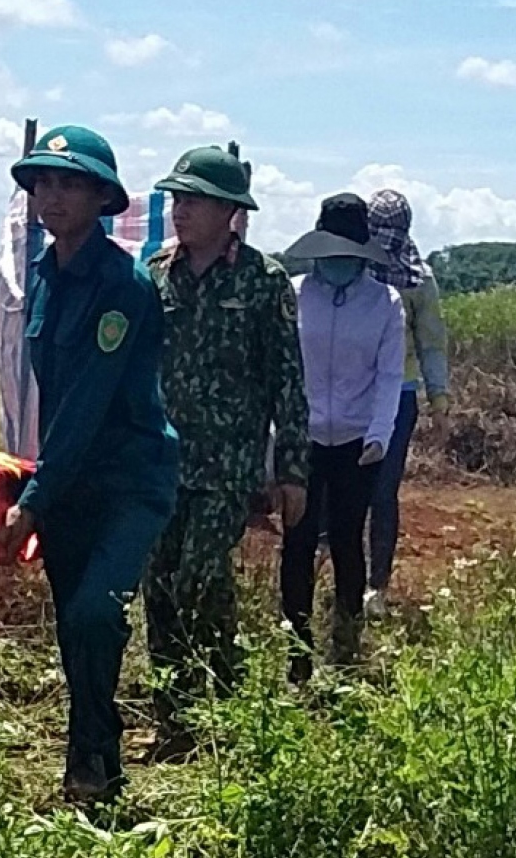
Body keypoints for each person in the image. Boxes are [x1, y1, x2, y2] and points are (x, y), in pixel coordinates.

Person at [0, 124, 181, 803]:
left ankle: (90, 762)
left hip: (129, 481)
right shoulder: (44, 277)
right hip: (71, 483)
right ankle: (96, 767)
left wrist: (34, 497)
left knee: (96, 615)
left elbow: (85, 404)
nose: (52, 195)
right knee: (75, 625)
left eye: (69, 183)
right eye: (42, 182)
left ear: (102, 197)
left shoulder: (122, 285)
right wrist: (44, 487)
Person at [143, 145, 309, 759]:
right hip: (163, 464)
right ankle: (178, 722)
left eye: (193, 200)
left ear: (228, 210)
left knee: (198, 577)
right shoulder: (156, 275)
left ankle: (231, 698)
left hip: (229, 466)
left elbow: (287, 379)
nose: (179, 210)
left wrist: (291, 470)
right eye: (176, 198)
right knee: (160, 588)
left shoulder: (263, 282)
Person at [279, 193, 405, 684]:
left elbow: (389, 376)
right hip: (303, 437)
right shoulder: (293, 295)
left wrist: (380, 434)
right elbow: (279, 371)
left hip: (357, 441)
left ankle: (347, 644)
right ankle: (297, 651)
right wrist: (275, 436)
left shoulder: (384, 303)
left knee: (348, 539)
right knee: (298, 540)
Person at [361, 190, 451, 620]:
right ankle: (342, 574)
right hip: (352, 394)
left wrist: (439, 398)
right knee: (341, 486)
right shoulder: (352, 267)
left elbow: (431, 342)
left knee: (383, 491)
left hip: (399, 395)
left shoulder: (419, 281)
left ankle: (376, 586)